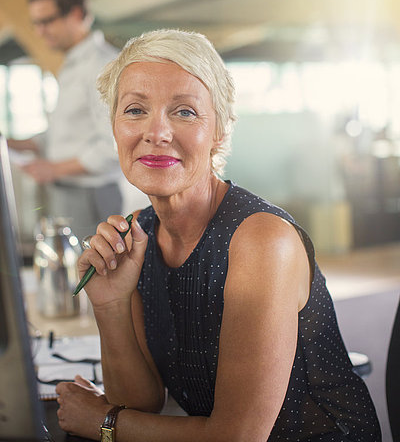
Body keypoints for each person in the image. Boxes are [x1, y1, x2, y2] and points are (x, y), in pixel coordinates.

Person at [55, 29, 381, 442]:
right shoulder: (139, 232)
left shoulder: (262, 241)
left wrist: (103, 423)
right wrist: (112, 305)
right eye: (135, 110)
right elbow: (140, 403)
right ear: (115, 127)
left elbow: (236, 437)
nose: (156, 132)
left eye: (185, 112)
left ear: (220, 132)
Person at [7, 0, 123, 241]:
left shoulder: (101, 66)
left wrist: (54, 169)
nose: (39, 31)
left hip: (92, 195)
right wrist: (13, 143)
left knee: (92, 279)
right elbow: (62, 135)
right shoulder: (72, 66)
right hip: (67, 192)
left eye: (47, 21)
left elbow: (113, 144)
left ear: (77, 14)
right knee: (71, 277)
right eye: (35, 23)